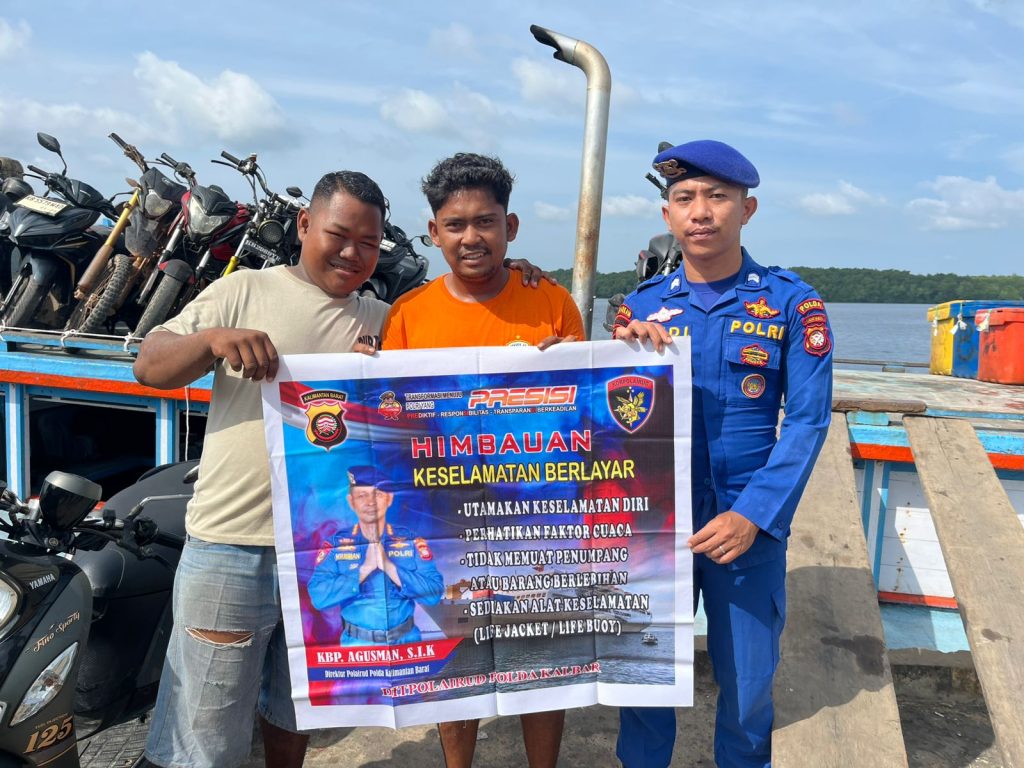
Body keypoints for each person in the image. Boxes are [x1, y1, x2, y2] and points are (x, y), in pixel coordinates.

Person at [133, 170, 392, 768]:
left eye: (369, 243)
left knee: (298, 711)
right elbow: (149, 365)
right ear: (304, 224)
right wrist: (212, 341)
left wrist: (519, 278)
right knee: (203, 732)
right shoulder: (242, 291)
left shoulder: (387, 319)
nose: (353, 254)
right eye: (339, 235)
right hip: (232, 547)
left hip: (330, 550)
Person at [612, 140, 833, 768]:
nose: (701, 211)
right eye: (684, 198)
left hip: (746, 527)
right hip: (654, 525)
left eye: (718, 196)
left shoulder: (793, 304)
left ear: (747, 209)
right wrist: (622, 353)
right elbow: (601, 417)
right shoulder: (639, 309)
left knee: (747, 689)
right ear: (667, 215)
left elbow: (808, 422)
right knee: (643, 681)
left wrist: (754, 514)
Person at [381, 152, 585, 768]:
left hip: (536, 524)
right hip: (446, 522)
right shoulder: (408, 315)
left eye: (486, 221)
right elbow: (390, 422)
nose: (471, 237)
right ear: (434, 232)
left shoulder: (552, 303)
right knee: (456, 666)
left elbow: (586, 412)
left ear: (510, 226)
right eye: (455, 224)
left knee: (543, 665)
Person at [307, 464, 444, 645]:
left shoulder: (411, 541)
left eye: (377, 494)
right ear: (351, 502)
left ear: (389, 499)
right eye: (362, 495)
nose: (370, 502)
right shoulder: (335, 545)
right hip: (357, 646)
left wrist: (391, 568)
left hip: (407, 642)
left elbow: (434, 594)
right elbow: (318, 598)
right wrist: (363, 571)